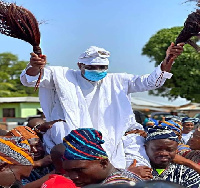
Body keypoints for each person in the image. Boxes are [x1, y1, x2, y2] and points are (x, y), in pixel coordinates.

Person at [20, 43, 184, 168]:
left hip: (111, 141)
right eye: (93, 67)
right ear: (80, 65)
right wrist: (35, 66)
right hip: (71, 142)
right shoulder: (63, 76)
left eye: (103, 67)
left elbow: (151, 82)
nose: (98, 71)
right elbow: (30, 79)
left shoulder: (117, 81)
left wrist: (168, 59)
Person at [62, 128, 142, 187]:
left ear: (104, 163)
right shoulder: (121, 175)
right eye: (68, 171)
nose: (73, 177)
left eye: (79, 170)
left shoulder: (118, 184)